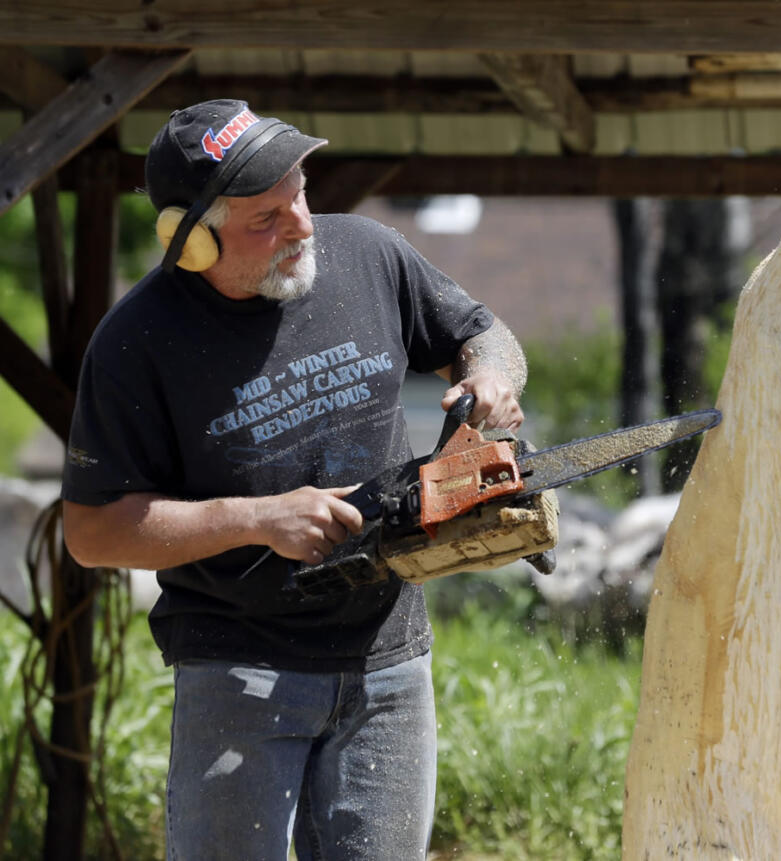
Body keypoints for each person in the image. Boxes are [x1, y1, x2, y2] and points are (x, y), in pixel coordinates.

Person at [59, 99, 527, 860]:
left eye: (299, 194)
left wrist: (491, 378)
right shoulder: (134, 344)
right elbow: (90, 531)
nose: (302, 225)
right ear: (193, 243)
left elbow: (483, 334)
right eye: (266, 219)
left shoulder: (370, 252)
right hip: (237, 669)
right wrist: (255, 518)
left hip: (390, 665)